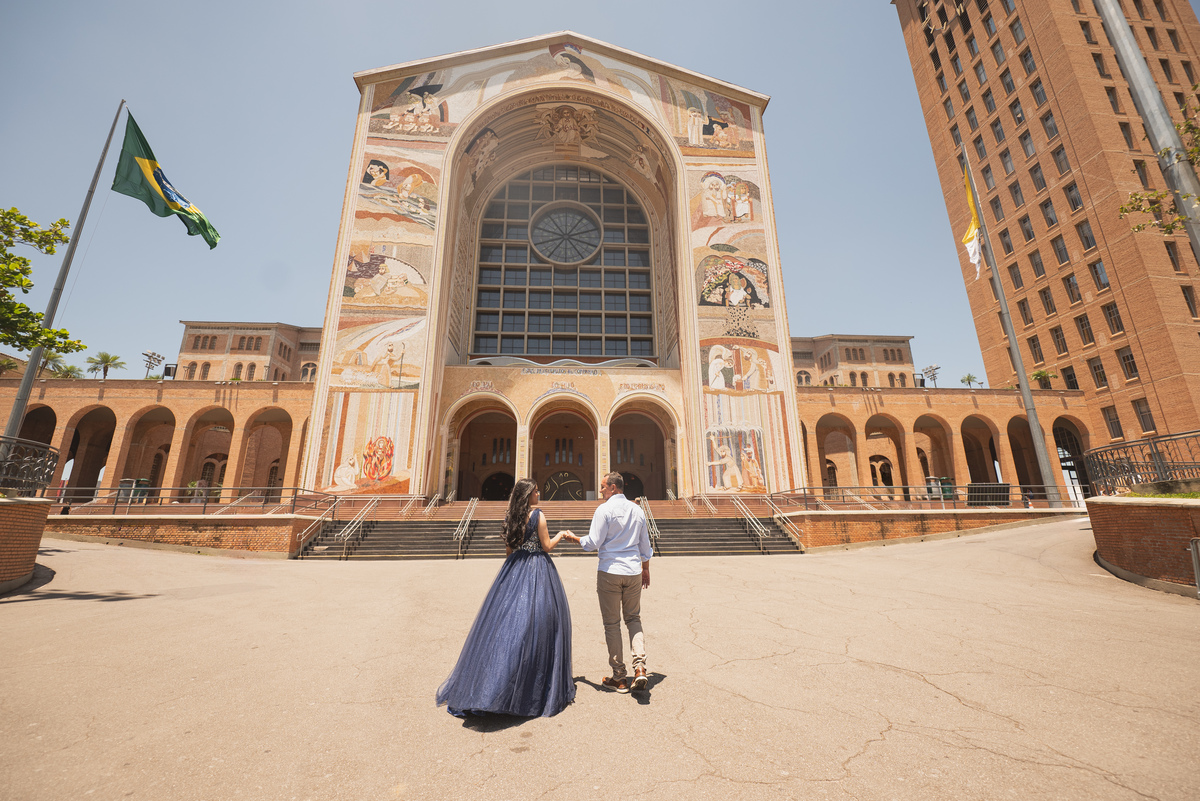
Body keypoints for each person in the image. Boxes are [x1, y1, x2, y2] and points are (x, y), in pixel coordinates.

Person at [436, 478, 575, 717]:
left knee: (505, 624)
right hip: (537, 569)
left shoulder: (510, 517)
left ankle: (490, 682)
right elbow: (546, 547)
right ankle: (529, 684)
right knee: (537, 624)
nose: (539, 495)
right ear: (528, 495)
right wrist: (562, 534)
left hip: (513, 568)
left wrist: (508, 577)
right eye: (536, 492)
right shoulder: (538, 516)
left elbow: (509, 550)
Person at [562, 472, 652, 693]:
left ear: (613, 487)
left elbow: (593, 542)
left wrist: (574, 538)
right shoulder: (637, 510)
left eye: (603, 487)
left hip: (610, 571)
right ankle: (640, 667)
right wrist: (646, 569)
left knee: (612, 624)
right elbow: (645, 545)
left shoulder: (604, 510)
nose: (601, 490)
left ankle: (619, 677)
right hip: (632, 571)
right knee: (633, 618)